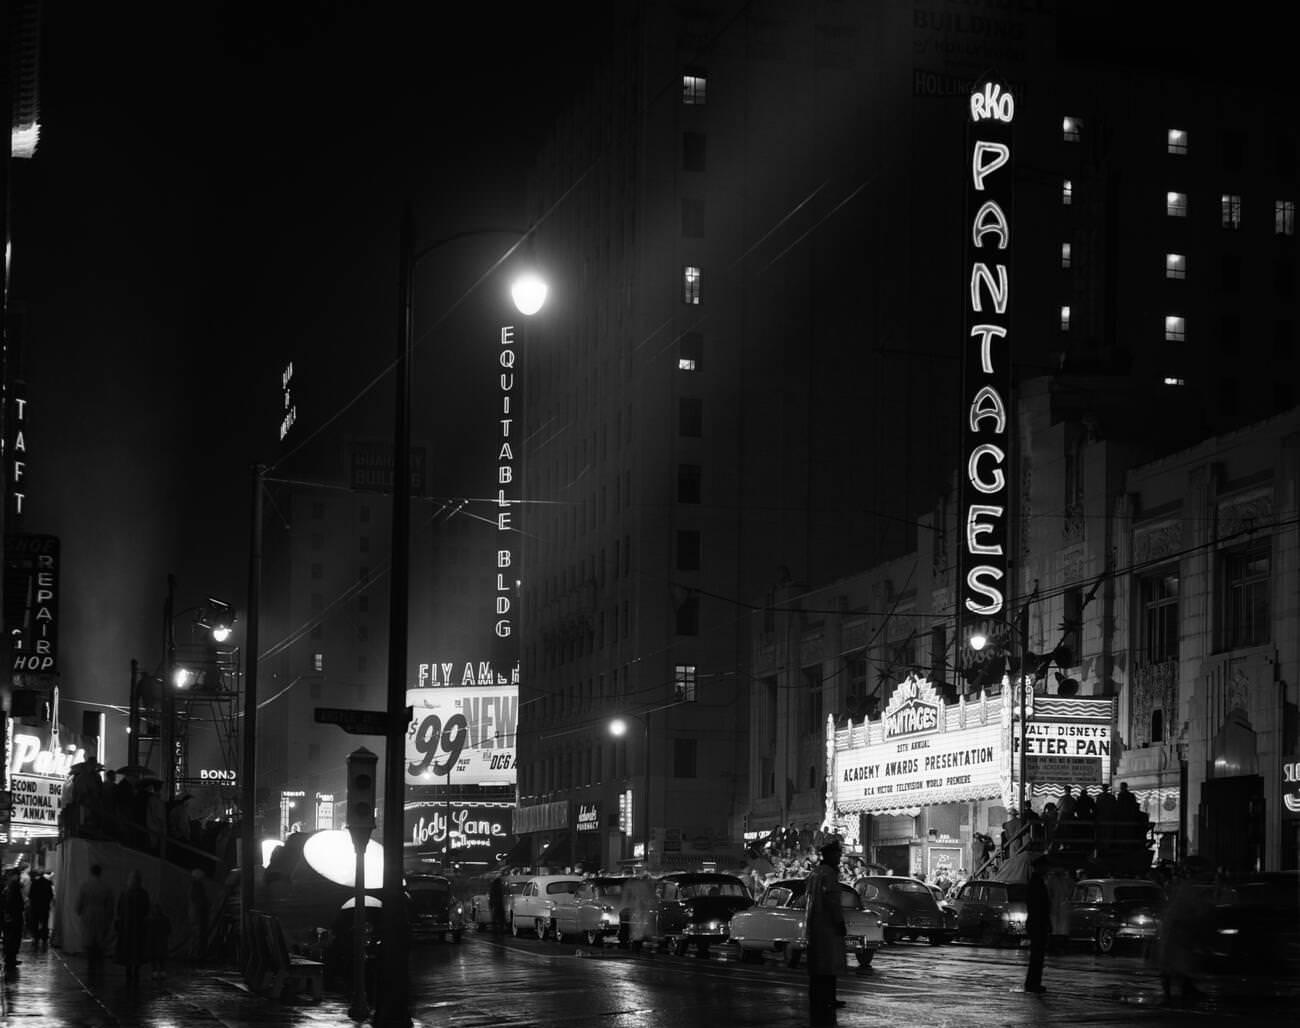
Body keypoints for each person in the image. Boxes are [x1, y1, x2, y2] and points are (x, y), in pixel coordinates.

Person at [805, 839, 847, 1027]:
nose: (839, 857)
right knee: (829, 964)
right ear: (830, 855)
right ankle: (828, 997)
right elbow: (832, 901)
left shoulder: (815, 873)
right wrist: (839, 921)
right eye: (837, 854)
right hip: (827, 925)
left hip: (814, 924)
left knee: (817, 963)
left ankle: (817, 997)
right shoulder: (829, 874)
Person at [76, 864, 115, 978]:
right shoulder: (106, 886)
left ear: (91, 872)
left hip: (88, 914)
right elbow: (110, 904)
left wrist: (79, 910)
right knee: (100, 940)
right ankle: (100, 964)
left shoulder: (85, 885)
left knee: (89, 940)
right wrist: (109, 916)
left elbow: (80, 902)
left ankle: (91, 964)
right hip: (102, 914)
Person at [115, 869, 150, 986]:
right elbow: (146, 909)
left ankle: (129, 969)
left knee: (128, 947)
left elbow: (119, 909)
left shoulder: (125, 893)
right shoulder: (143, 894)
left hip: (127, 926)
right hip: (139, 926)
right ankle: (136, 970)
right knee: (137, 948)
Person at [1024, 854, 1051, 993]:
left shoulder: (1036, 881)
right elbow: (1038, 906)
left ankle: (1033, 982)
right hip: (1037, 923)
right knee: (1037, 956)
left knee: (1037, 955)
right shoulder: (1036, 883)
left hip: (1037, 922)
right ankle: (1033, 983)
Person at [3, 867, 26, 969]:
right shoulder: (14, 886)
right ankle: (11, 959)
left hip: (10, 915)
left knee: (9, 938)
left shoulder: (8, 886)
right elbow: (14, 902)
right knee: (14, 937)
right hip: (15, 915)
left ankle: (10, 958)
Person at [27, 870, 53, 952]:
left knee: (35, 923)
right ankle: (44, 939)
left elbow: (30, 895)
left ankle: (36, 938)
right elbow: (50, 895)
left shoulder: (34, 883)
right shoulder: (48, 883)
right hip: (45, 907)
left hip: (35, 907)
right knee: (44, 923)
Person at [188, 868, 211, 961]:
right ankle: (196, 956)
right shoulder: (197, 887)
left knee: (195, 935)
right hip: (198, 915)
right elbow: (199, 901)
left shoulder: (194, 887)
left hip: (195, 914)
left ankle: (194, 955)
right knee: (198, 935)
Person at [146, 902, 172, 980]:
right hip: (160, 941)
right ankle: (161, 972)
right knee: (160, 957)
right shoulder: (164, 919)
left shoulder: (150, 919)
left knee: (156, 957)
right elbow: (169, 930)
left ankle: (156, 973)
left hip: (155, 941)